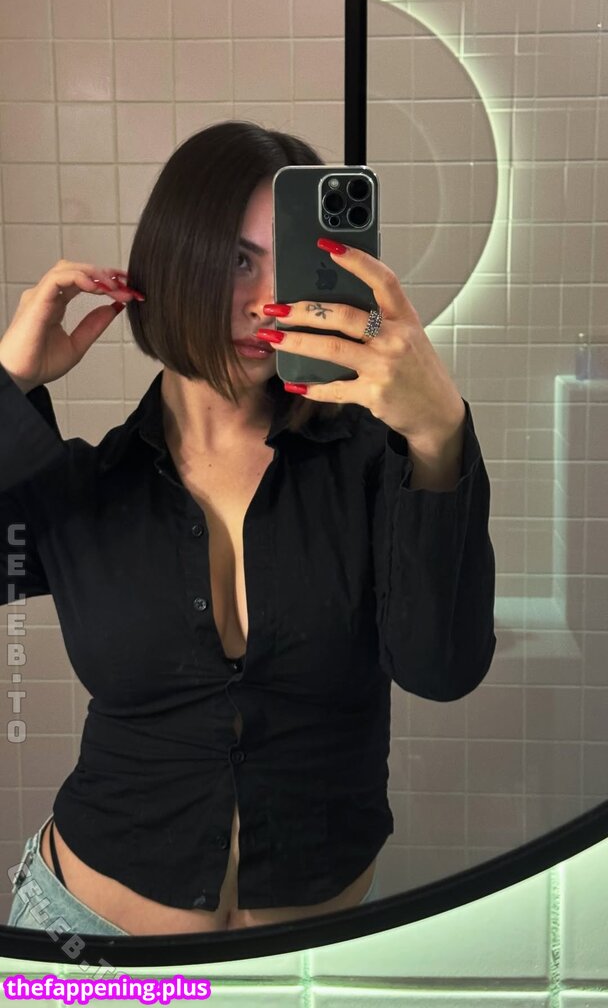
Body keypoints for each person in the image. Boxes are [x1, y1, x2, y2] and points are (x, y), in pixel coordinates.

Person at [1, 120, 496, 937]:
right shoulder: (84, 486)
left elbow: (441, 670)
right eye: (236, 260)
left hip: (314, 959)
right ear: (171, 261)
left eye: (289, 263)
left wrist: (439, 434)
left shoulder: (377, 467)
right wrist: (10, 383)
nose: (267, 300)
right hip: (86, 942)